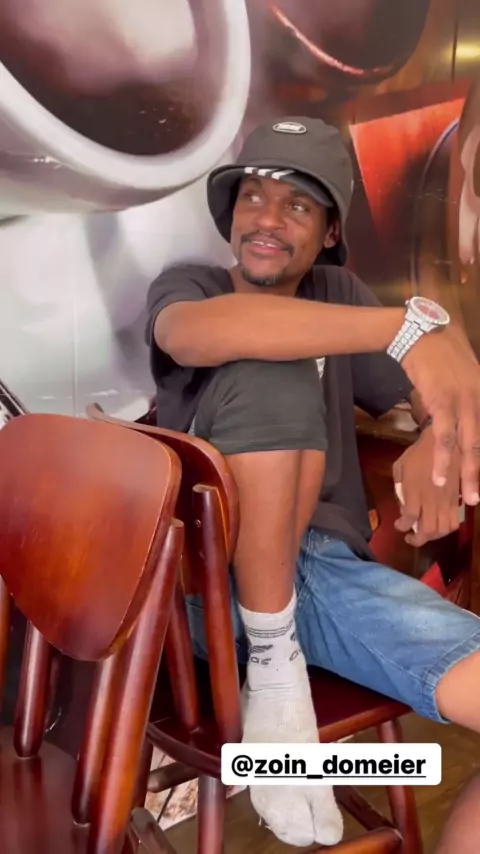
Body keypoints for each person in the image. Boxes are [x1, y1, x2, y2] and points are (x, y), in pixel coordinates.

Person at [145, 116, 480, 850]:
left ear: (330, 230)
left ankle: (278, 742)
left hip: (328, 577)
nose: (267, 219)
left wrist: (435, 437)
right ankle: (274, 675)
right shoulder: (193, 286)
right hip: (210, 582)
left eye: (296, 204)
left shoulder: (337, 291)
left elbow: (435, 391)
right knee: (275, 369)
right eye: (253, 197)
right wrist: (406, 328)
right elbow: (191, 335)